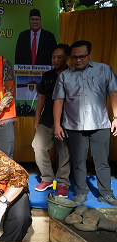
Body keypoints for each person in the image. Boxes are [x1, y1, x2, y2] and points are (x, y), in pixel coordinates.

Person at [53, 40, 117, 207]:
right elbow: (58, 101)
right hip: (74, 126)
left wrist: (116, 118)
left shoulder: (104, 70)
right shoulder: (65, 76)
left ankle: (106, 194)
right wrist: (57, 124)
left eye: (82, 56)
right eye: (74, 57)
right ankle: (81, 192)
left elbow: (113, 94)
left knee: (102, 161)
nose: (78, 60)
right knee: (79, 161)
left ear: (90, 54)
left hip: (100, 124)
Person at [32, 44, 71, 197]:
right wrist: (36, 120)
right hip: (47, 119)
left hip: (67, 121)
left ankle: (62, 184)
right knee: (38, 146)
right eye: (53, 57)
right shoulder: (47, 76)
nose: (55, 60)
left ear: (67, 58)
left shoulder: (72, 74)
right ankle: (47, 178)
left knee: (64, 153)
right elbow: (41, 98)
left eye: (59, 57)